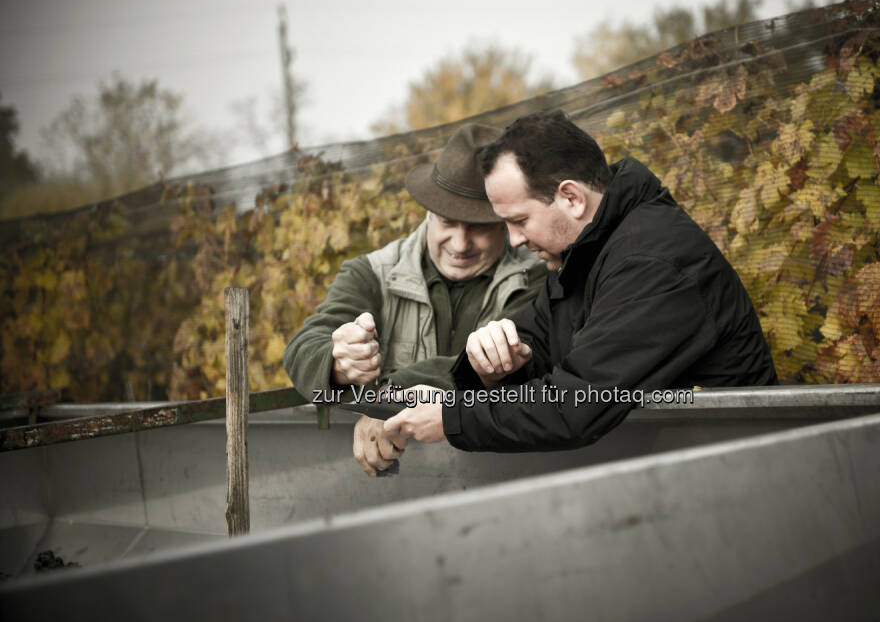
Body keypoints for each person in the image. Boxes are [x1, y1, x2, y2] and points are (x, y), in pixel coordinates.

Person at [382, 109, 777, 452]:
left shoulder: (653, 264)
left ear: (571, 198)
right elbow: (536, 338)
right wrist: (494, 361)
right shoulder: (584, 255)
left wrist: (454, 417)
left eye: (519, 220)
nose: (515, 240)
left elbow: (577, 403)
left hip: (732, 472)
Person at [283, 123, 546, 473]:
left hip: (501, 478)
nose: (460, 243)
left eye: (479, 226)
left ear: (506, 221)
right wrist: (337, 363)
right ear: (428, 212)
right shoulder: (371, 272)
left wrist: (389, 399)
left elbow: (510, 357)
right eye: (448, 222)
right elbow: (302, 347)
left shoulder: (536, 276)